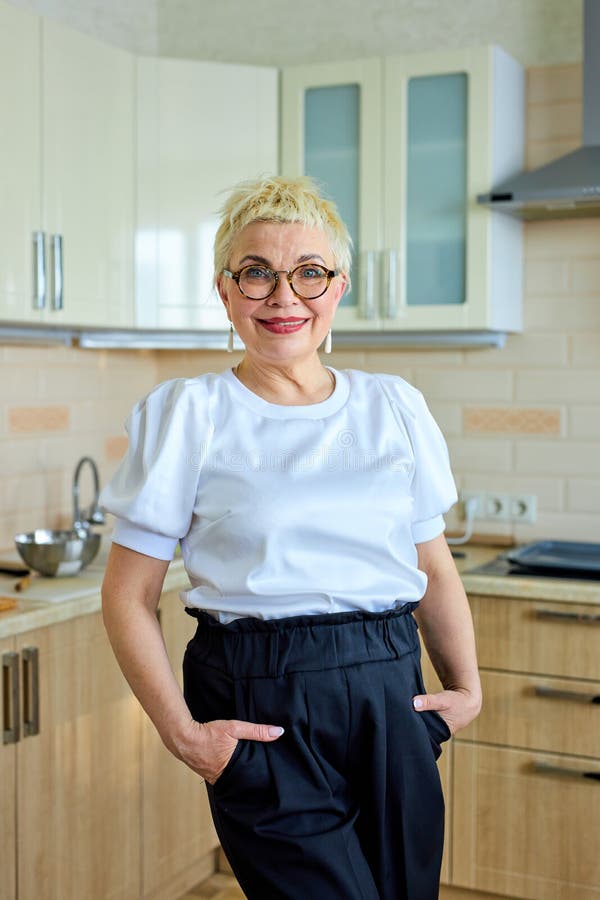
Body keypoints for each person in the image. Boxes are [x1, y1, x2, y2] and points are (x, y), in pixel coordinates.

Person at [100, 175, 482, 900]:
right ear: (224, 290)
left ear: (339, 287)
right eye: (257, 273)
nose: (284, 297)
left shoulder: (393, 406)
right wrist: (183, 734)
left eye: (309, 273)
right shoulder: (189, 413)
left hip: (389, 684)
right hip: (260, 695)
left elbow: (431, 563)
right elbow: (127, 595)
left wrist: (466, 686)